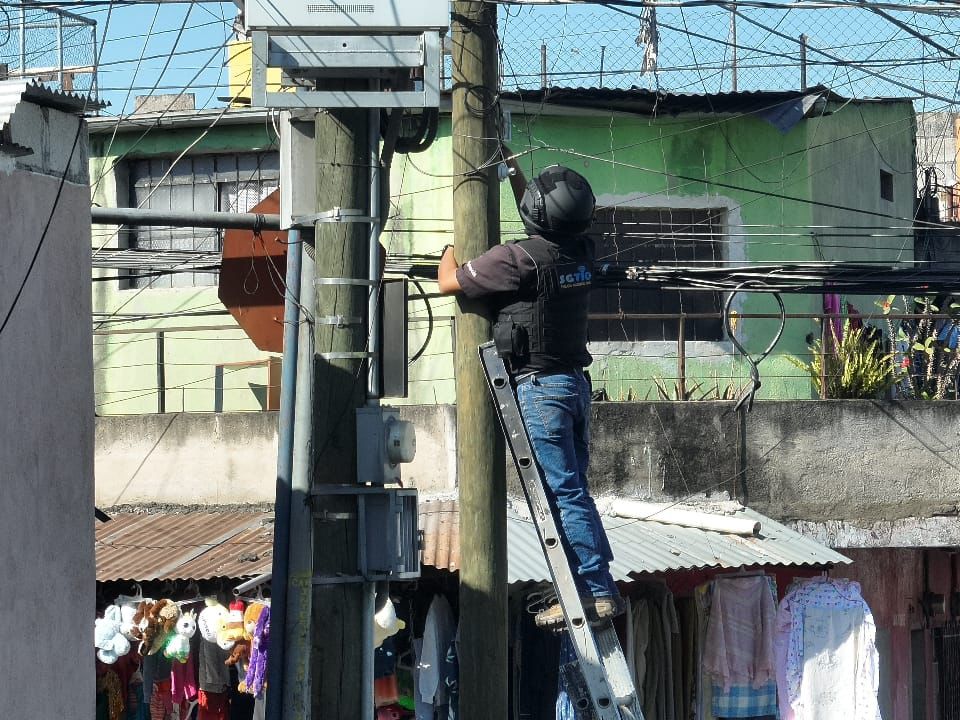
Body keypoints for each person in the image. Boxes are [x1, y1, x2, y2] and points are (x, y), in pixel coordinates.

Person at [437, 156, 621, 629]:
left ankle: (594, 592)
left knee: (563, 493)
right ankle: (598, 583)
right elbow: (545, 221)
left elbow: (447, 281)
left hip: (540, 390)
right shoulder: (581, 251)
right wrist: (515, 173)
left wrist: (452, 246)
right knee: (574, 490)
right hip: (575, 386)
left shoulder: (512, 260)